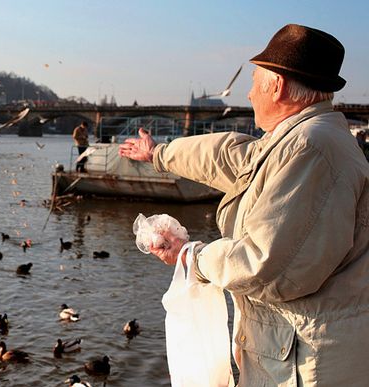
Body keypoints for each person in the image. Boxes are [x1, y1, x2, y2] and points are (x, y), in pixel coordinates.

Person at [119, 24, 369, 385]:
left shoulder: (311, 148)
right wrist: (159, 153)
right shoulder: (299, 138)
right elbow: (229, 157)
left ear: (278, 85)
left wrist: (191, 257)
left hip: (307, 364)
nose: (249, 94)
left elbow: (266, 263)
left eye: (254, 81)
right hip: (294, 352)